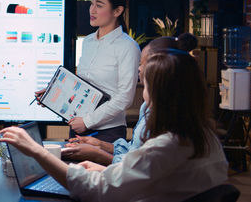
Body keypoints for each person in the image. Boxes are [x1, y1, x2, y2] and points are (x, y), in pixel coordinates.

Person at [0, 49, 228, 201]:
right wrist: (108, 170)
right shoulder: (205, 137)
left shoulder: (166, 146)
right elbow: (154, 179)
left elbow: (96, 190)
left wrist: (35, 150)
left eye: (145, 85)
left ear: (161, 94)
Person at [62, 33, 198, 165]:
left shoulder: (168, 128)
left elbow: (139, 167)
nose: (138, 68)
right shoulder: (148, 108)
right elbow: (134, 150)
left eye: (143, 63)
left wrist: (96, 154)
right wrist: (100, 145)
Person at [36, 0, 140, 143]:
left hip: (108, 132)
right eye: (92, 4)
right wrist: (52, 94)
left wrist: (88, 121)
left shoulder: (128, 46)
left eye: (99, 5)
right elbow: (83, 86)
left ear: (117, 11)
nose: (92, 10)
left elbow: (125, 98)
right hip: (78, 126)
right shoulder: (88, 41)